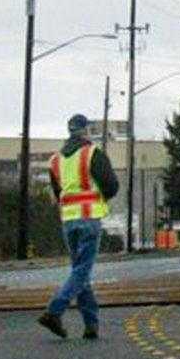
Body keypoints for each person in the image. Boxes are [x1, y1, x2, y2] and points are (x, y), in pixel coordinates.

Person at [37, 113, 120, 340]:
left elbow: (57, 192)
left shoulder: (55, 160)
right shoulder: (92, 153)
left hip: (68, 219)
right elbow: (111, 185)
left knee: (79, 271)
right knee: (82, 270)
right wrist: (99, 197)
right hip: (89, 218)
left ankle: (91, 324)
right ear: (85, 131)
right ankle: (55, 311)